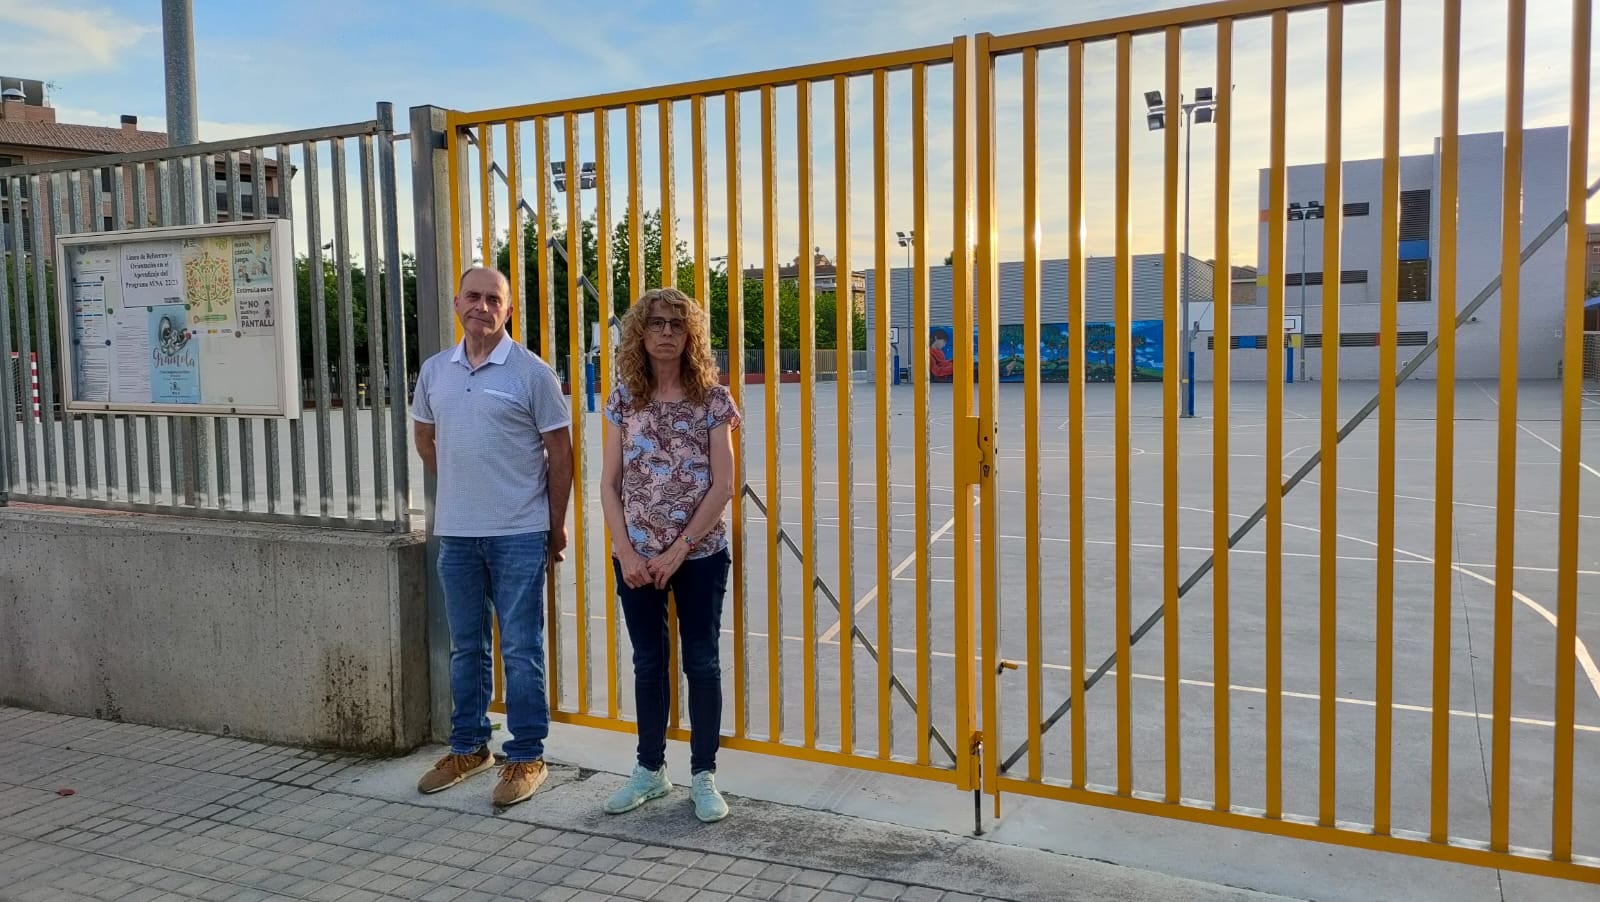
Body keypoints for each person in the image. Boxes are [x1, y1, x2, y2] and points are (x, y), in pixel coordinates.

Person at [410, 266, 573, 808]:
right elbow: (426, 439)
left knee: (521, 649)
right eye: (473, 296)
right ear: (457, 303)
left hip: (519, 533)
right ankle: (469, 748)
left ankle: (526, 755)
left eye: (493, 298)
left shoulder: (532, 374)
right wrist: (465, 488)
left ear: (508, 310)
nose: (481, 306)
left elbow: (562, 455)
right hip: (457, 534)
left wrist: (554, 522)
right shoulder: (435, 371)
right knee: (466, 649)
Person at [599, 287, 740, 824]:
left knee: (701, 661)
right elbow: (609, 484)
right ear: (640, 331)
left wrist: (680, 549)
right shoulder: (622, 399)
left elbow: (723, 485)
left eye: (676, 325)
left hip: (698, 555)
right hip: (635, 557)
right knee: (648, 663)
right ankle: (650, 770)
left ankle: (703, 775)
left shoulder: (713, 400)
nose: (664, 333)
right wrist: (626, 550)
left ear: (690, 336)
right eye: (655, 323)